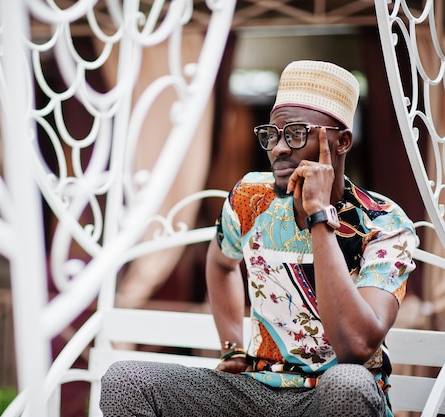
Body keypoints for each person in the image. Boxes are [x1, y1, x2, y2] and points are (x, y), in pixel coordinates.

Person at [99, 60, 417, 417]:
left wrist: (319, 216)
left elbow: (356, 346)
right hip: (257, 392)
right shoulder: (251, 198)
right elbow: (221, 263)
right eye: (271, 135)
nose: (279, 148)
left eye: (296, 133)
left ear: (341, 142)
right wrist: (232, 347)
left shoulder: (383, 223)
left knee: (349, 384)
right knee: (126, 379)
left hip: (331, 399)